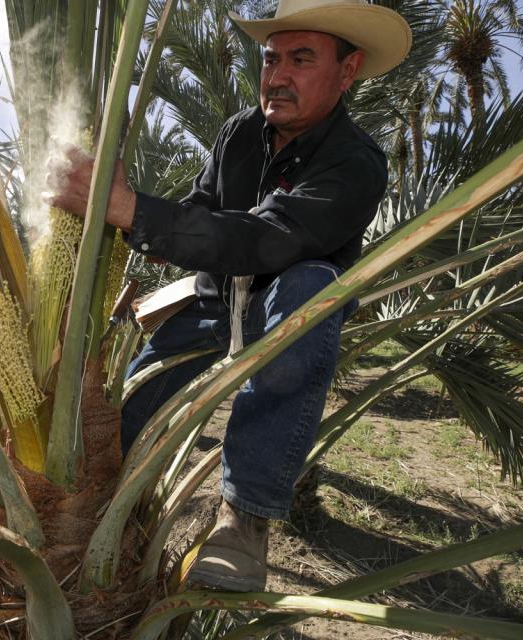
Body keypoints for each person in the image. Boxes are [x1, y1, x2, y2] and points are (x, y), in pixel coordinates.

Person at [48, 0, 411, 592]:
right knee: (122, 424)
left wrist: (132, 210)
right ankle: (100, 524)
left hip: (286, 304)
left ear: (348, 71)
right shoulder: (240, 133)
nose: (278, 76)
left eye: (301, 59)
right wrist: (136, 219)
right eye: (271, 58)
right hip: (215, 299)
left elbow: (271, 241)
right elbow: (200, 211)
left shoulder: (356, 162)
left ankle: (243, 521)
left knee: (311, 286)